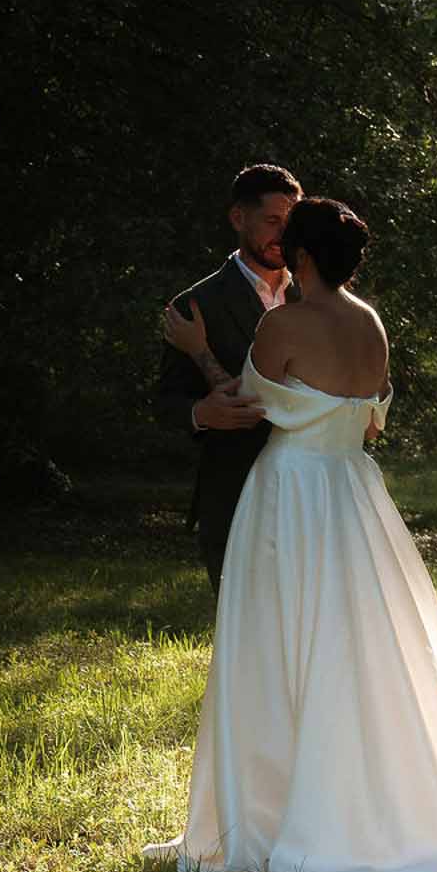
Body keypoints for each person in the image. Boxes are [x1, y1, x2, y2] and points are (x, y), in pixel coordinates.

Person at [145, 196, 437, 872]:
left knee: (277, 647)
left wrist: (196, 350)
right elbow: (370, 418)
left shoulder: (282, 325)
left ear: (300, 257)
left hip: (289, 497)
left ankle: (277, 816)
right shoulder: (369, 321)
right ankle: (383, 803)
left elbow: (242, 403)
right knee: (367, 651)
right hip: (351, 492)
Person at [155, 163, 303, 593]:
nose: (283, 235)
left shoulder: (317, 298)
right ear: (239, 218)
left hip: (310, 494)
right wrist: (202, 413)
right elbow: (166, 403)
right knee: (241, 636)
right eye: (272, 222)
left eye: (291, 223)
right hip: (232, 493)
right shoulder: (196, 304)